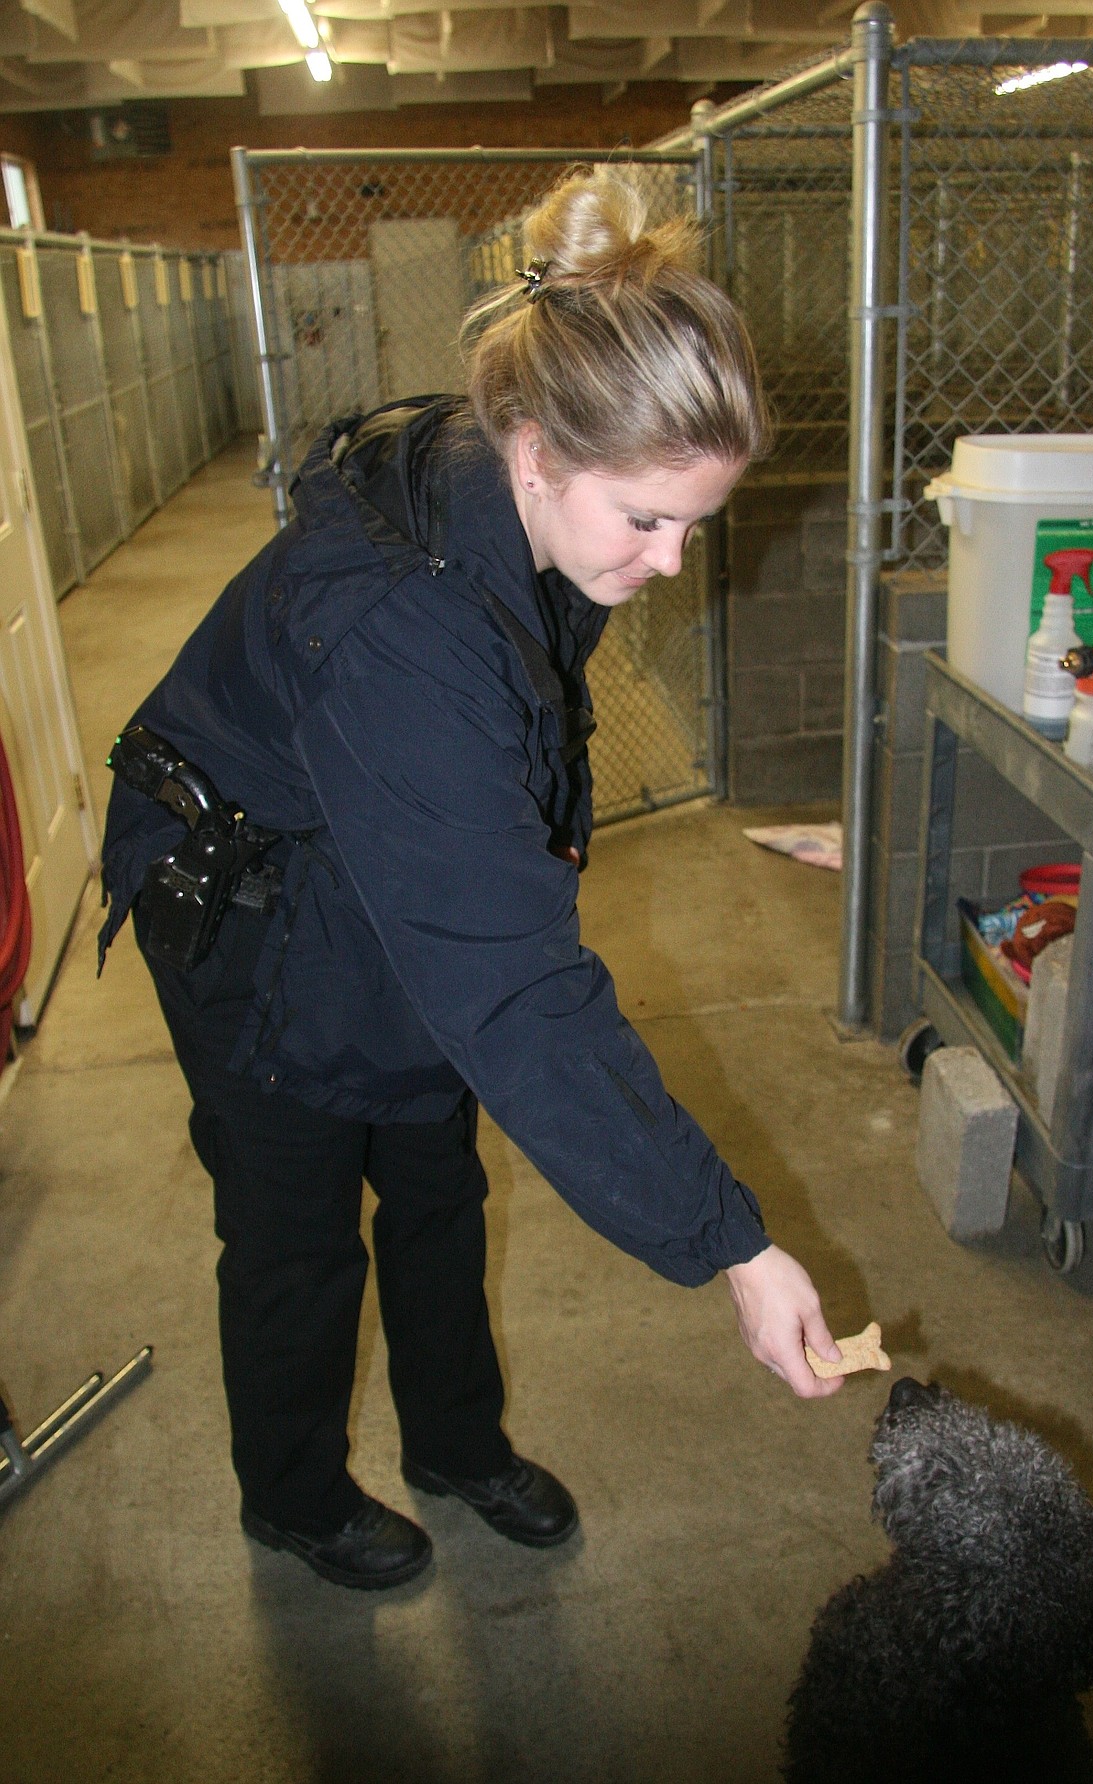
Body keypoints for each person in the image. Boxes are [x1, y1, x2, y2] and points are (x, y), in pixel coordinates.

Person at [99, 168, 842, 1594]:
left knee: (434, 1178)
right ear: (538, 449)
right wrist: (732, 1246)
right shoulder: (398, 622)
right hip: (246, 896)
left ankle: (454, 1443)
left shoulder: (525, 482)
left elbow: (484, 838)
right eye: (644, 520)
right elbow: (507, 986)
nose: (671, 563)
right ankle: (294, 1495)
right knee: (298, 1220)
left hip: (370, 838)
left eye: (695, 523)